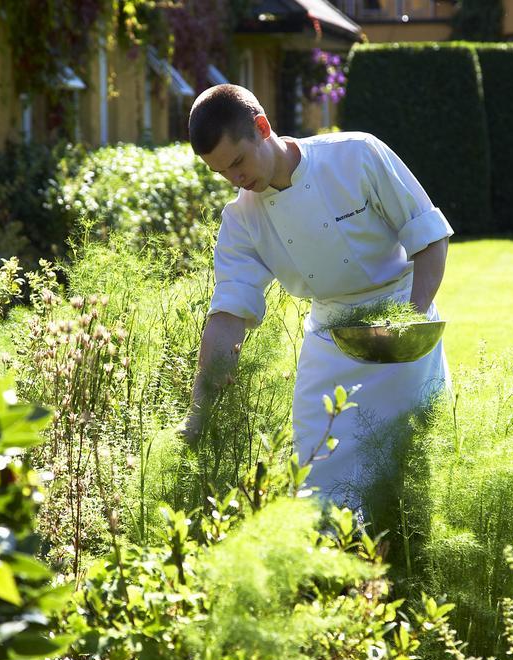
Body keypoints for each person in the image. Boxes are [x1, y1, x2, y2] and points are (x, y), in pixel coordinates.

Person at [182, 84, 452, 509]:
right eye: (222, 174)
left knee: (412, 480)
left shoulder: (356, 155)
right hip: (329, 341)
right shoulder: (241, 220)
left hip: (403, 325)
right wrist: (200, 407)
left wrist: (407, 323)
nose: (237, 180)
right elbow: (229, 315)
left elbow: (429, 238)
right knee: (313, 479)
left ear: (262, 127)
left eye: (238, 162)